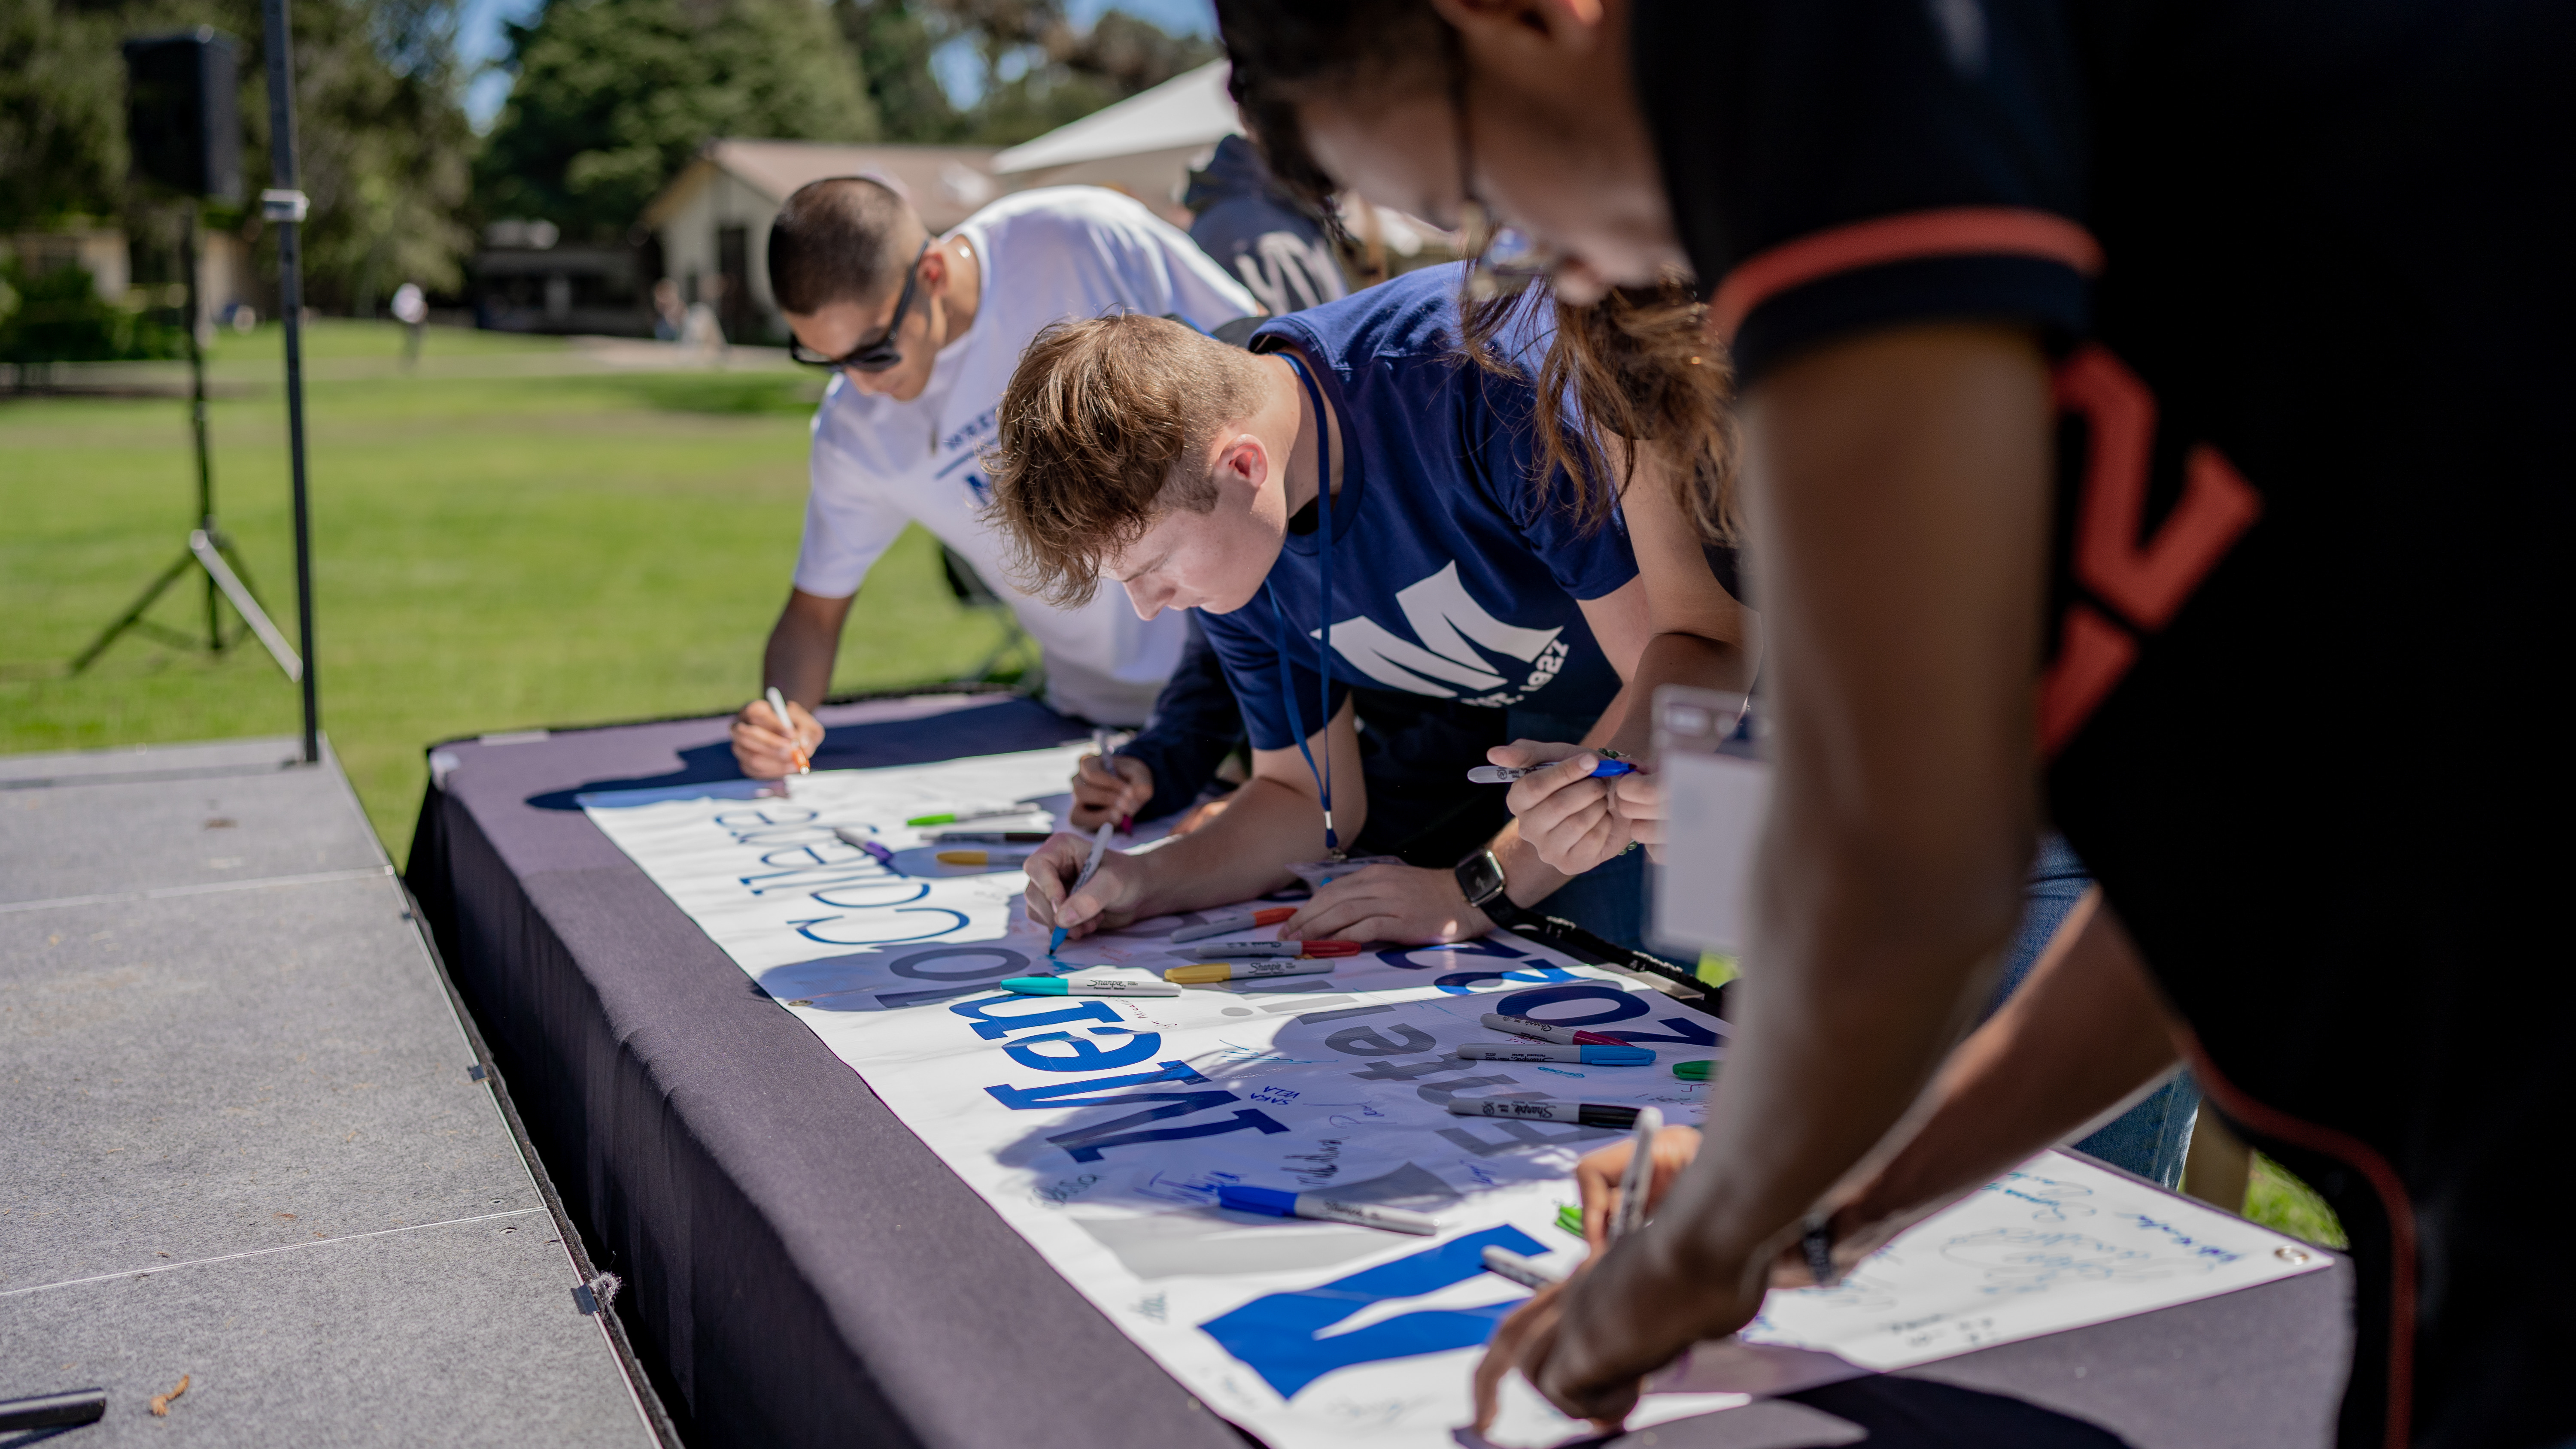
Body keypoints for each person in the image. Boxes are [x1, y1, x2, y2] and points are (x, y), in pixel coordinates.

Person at [1212, 2, 2573, 1446]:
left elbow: (1918, 878)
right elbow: (2199, 884)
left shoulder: (1820, 73)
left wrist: (1704, 1248)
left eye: (1487, 201)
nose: (1553, 270)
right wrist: (1825, 1211)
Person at [988, 262, 1752, 950]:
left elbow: (1682, 660)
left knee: (1699, 984)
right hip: (1560, 724)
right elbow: (1303, 798)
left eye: (1154, 567)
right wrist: (1140, 880)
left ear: (1243, 466)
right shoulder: (1237, 541)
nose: (1151, 608)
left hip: (1720, 678)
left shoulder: (1472, 379)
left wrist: (1476, 889)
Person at [727, 179, 1261, 779]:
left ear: (931, 272)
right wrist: (782, 718)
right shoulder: (855, 430)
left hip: (1253, 671)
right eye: (827, 361)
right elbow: (815, 610)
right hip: (1098, 713)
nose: (860, 384)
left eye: (874, 352)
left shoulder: (1076, 237)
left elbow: (1260, 364)